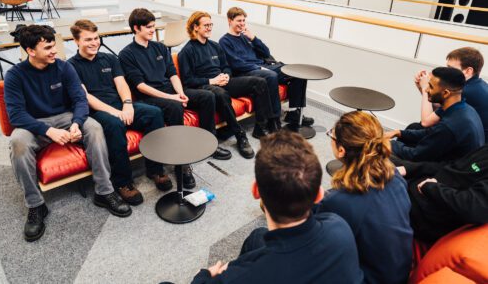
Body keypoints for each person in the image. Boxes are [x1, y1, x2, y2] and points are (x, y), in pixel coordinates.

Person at [4, 25, 131, 242]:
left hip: (66, 117)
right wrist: (49, 131)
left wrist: (76, 122)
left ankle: (104, 191)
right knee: (17, 142)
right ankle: (36, 206)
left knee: (94, 128)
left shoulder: (63, 67)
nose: (54, 51)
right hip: (35, 123)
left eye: (54, 46)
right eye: (48, 48)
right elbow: (16, 115)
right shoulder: (15, 75)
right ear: (30, 51)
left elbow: (80, 100)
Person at [191, 130, 364, 284]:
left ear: (256, 191)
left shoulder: (239, 278)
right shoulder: (340, 227)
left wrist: (203, 276)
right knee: (257, 236)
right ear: (319, 195)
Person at [119, 8, 232, 190]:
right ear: (136, 28)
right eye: (148, 27)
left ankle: (209, 140)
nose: (152, 31)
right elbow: (140, 86)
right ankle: (182, 163)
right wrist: (172, 97)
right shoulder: (126, 54)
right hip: (148, 97)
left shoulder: (160, 47)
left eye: (154, 27)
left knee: (207, 96)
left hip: (171, 91)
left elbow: (172, 74)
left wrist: (181, 93)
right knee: (174, 107)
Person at [68, 19, 165, 201]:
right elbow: (85, 97)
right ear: (76, 41)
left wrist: (127, 104)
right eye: (88, 39)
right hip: (96, 112)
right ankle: (123, 183)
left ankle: (156, 170)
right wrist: (116, 113)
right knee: (114, 124)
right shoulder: (70, 66)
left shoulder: (110, 59)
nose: (94, 43)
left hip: (120, 106)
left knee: (154, 113)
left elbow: (121, 84)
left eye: (96, 38)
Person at [314, 111, 413, 284]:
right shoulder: (396, 178)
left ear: (341, 150)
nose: (330, 137)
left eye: (332, 135)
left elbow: (315, 241)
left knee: (259, 238)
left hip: (368, 279)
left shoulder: (340, 201)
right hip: (399, 273)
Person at [178, 11, 276, 158]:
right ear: (195, 27)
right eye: (206, 25)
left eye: (211, 25)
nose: (209, 28)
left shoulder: (215, 46)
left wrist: (226, 75)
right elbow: (188, 80)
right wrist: (212, 81)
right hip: (203, 86)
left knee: (259, 82)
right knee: (220, 93)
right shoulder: (186, 51)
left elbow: (226, 66)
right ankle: (240, 134)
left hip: (222, 81)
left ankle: (261, 126)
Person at [219, 7, 314, 129]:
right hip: (246, 72)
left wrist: (253, 38)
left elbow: (266, 53)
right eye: (238, 21)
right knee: (270, 75)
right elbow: (236, 64)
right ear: (230, 21)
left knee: (296, 71)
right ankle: (274, 120)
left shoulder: (245, 37)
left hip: (262, 66)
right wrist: (259, 68)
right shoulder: (224, 41)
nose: (242, 24)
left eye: (243, 20)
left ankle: (295, 113)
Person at [386, 67, 484, 163]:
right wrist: (399, 132)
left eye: (431, 87)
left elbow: (415, 155)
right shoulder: (464, 108)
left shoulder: (448, 126)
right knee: (413, 129)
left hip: (446, 172)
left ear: (446, 93)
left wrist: (391, 144)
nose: (426, 90)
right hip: (455, 158)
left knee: (385, 156)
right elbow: (431, 132)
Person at [398, 144, 488, 243]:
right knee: (386, 167)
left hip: (426, 216)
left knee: (381, 183)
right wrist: (409, 169)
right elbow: (451, 166)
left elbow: (473, 207)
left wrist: (430, 187)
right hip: (418, 190)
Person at [413, 47, 487, 141]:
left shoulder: (465, 91)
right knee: (415, 128)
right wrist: (423, 88)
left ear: (468, 71)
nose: (447, 71)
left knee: (417, 129)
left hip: (471, 149)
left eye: (451, 68)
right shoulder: (476, 85)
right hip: (470, 140)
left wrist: (424, 89)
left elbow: (426, 122)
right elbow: (440, 107)